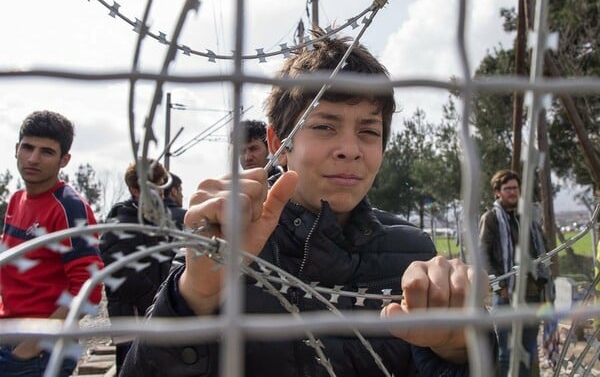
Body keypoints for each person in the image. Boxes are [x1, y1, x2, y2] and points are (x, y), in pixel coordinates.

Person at [121, 32, 485, 376]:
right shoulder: (220, 241)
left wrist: (457, 352)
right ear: (279, 142)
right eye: (325, 126)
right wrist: (193, 296)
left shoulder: (411, 251)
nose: (350, 149)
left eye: (369, 131)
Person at [0, 110, 104, 377]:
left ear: (64, 160)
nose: (33, 158)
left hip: (37, 354)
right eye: (28, 147)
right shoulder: (16, 200)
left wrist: (30, 348)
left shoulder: (69, 207)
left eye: (46, 152)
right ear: (16, 149)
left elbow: (88, 289)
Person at [99, 158, 175, 373]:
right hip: (133, 319)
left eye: (162, 187)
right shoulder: (121, 224)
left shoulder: (153, 222)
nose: (161, 193)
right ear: (135, 189)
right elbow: (123, 273)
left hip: (152, 315)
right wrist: (158, 302)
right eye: (155, 188)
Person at [479, 169, 551, 377]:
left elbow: (542, 251)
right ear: (497, 193)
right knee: (506, 352)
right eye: (507, 188)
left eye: (515, 188)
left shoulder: (528, 218)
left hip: (531, 295)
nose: (512, 192)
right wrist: (499, 288)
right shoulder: (491, 219)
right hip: (506, 296)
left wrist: (545, 283)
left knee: (528, 350)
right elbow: (483, 255)